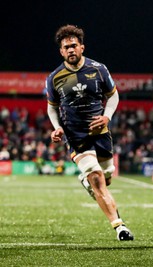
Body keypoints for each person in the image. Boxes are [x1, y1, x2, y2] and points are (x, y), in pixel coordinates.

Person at [46, 24, 133, 241]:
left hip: (101, 130)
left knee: (106, 177)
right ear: (61, 51)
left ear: (82, 47)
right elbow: (52, 106)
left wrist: (107, 116)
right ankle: (119, 226)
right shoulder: (54, 77)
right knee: (96, 177)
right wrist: (57, 127)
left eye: (74, 45)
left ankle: (88, 182)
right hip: (75, 134)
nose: (70, 50)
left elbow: (113, 96)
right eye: (66, 47)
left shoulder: (99, 69)